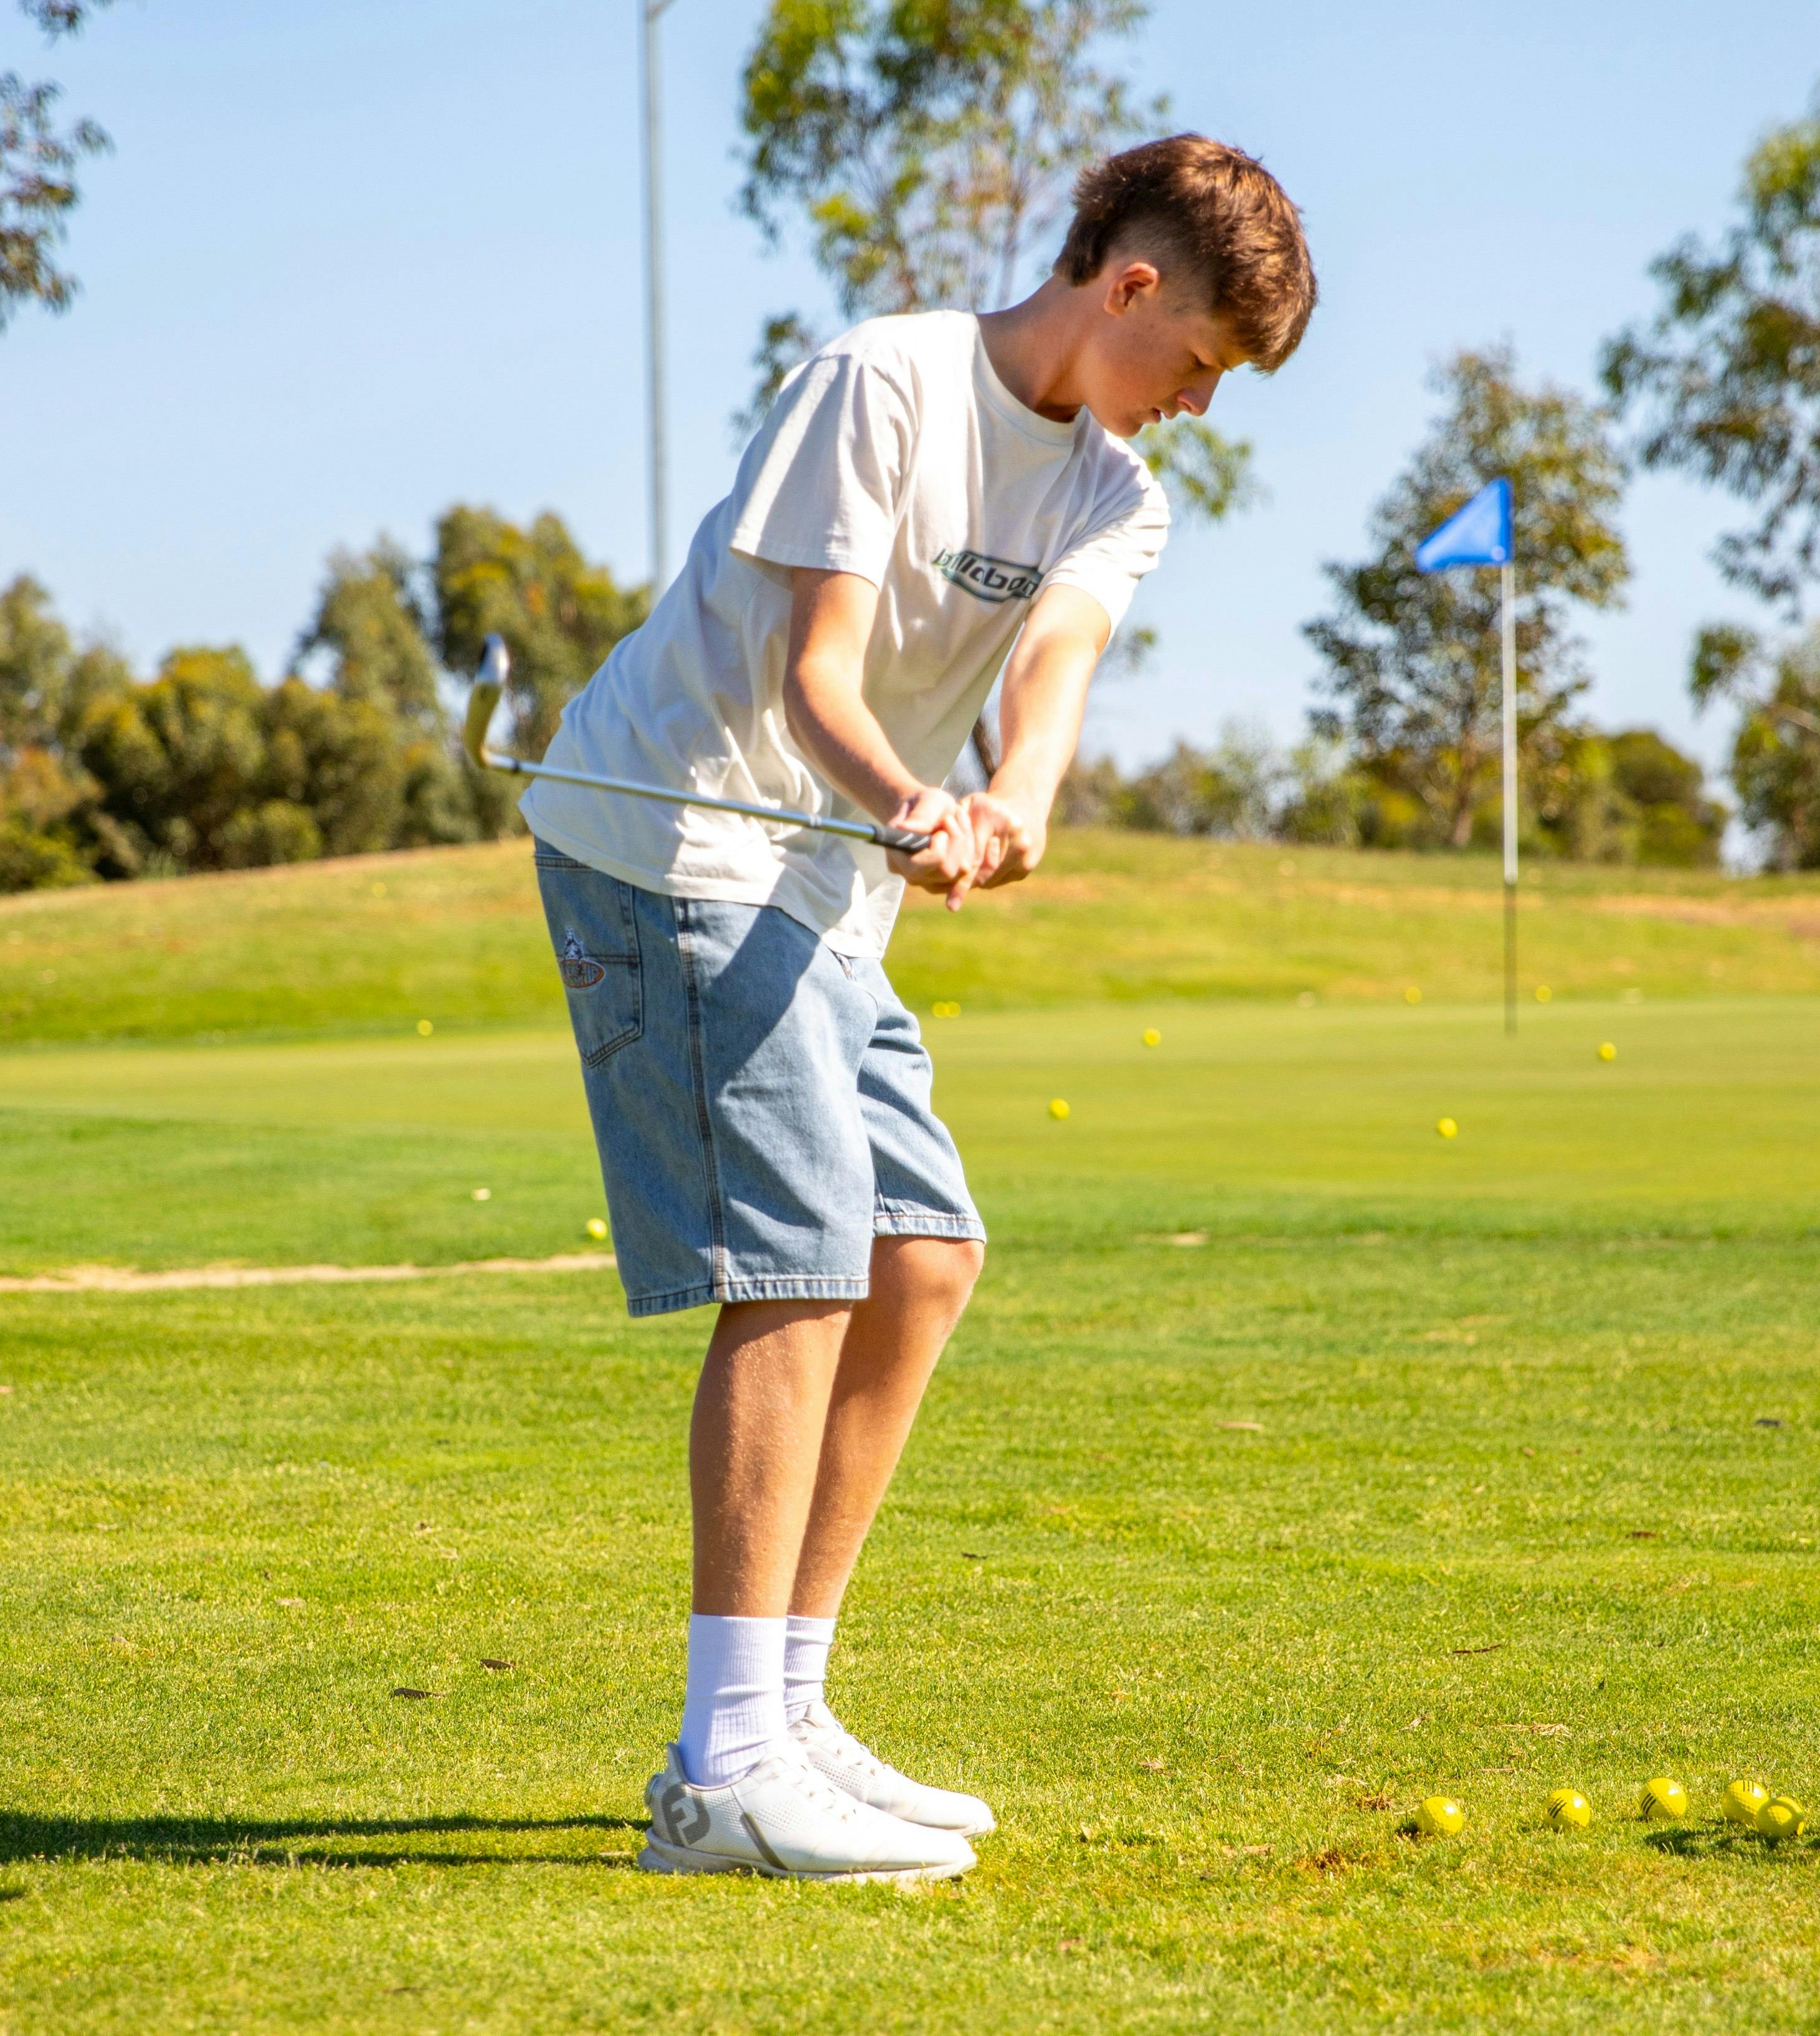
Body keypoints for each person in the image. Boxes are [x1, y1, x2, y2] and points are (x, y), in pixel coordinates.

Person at [520, 135, 1315, 1883]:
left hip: (822, 877)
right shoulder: (877, 384)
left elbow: (1051, 674)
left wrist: (1016, 797)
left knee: (925, 1250)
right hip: (674, 830)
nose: (1193, 404)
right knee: (800, 1261)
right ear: (1126, 286)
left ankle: (789, 1707)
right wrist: (911, 800)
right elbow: (815, 677)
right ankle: (721, 1770)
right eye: (1192, 362)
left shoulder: (1113, 491)